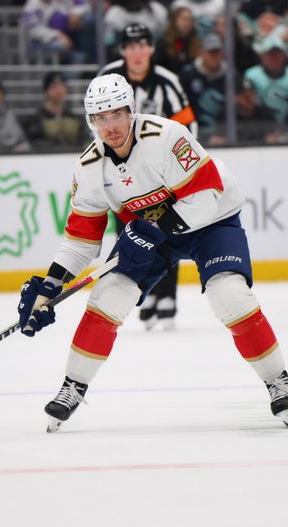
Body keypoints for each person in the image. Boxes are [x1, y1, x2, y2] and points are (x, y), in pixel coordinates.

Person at [16, 73, 288, 433]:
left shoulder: (166, 136)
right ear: (91, 121)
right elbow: (81, 240)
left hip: (211, 221)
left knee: (229, 294)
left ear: (131, 110)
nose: (110, 126)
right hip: (152, 233)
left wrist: (155, 229)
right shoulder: (89, 168)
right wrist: (51, 284)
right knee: (107, 297)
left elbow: (206, 193)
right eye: (100, 118)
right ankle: (72, 386)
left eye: (116, 114)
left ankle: (278, 380)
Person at [100, 22, 198, 330]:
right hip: (123, 176)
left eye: (142, 45)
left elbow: (188, 127)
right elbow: (96, 125)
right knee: (129, 237)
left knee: (167, 232)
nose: (137, 52)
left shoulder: (167, 82)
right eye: (131, 46)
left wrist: (177, 170)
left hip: (160, 176)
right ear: (123, 51)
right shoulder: (107, 79)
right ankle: (146, 291)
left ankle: (167, 295)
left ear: (152, 48)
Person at [244, 35, 288, 122]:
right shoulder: (251, 75)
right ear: (262, 57)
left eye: (278, 54)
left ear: (284, 56)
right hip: (260, 126)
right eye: (270, 54)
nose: (274, 58)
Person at [23, 71, 90, 148]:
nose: (59, 91)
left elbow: (85, 140)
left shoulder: (75, 119)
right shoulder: (36, 120)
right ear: (46, 90)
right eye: (54, 87)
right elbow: (34, 143)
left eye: (62, 86)